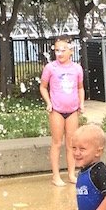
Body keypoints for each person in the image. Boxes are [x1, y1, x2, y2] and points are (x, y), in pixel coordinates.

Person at [40, 37, 86, 187]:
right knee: (57, 142)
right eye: (56, 50)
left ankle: (72, 174)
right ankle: (56, 175)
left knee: (71, 144)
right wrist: (48, 102)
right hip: (57, 110)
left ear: (70, 51)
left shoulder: (77, 68)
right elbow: (43, 87)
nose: (59, 53)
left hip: (72, 110)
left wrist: (81, 103)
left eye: (63, 50)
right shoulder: (50, 68)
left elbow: (80, 87)